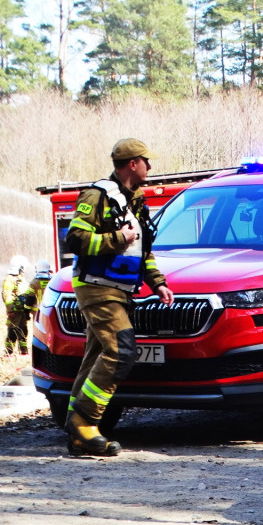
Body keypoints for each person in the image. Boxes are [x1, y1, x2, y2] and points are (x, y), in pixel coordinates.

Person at [63, 138, 174, 457]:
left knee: (96, 355)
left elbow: (143, 251)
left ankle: (76, 428)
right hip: (96, 286)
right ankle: (85, 424)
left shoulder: (136, 201)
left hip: (120, 289)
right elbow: (75, 239)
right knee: (121, 349)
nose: (150, 167)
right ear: (132, 164)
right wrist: (117, 238)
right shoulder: (97, 196)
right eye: (146, 161)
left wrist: (157, 283)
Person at [2, 255, 30, 356]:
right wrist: (10, 310)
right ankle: (8, 351)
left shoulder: (21, 278)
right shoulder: (9, 279)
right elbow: (7, 295)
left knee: (23, 331)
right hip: (14, 310)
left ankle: (23, 350)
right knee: (12, 331)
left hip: (21, 310)